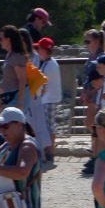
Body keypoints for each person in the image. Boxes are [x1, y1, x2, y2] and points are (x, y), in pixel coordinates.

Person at [34, 35, 62, 167]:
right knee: (47, 126)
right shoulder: (48, 63)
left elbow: (43, 85)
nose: (37, 51)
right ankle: (48, 152)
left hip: (49, 100)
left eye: (39, 48)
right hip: (48, 99)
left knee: (48, 127)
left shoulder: (49, 65)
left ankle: (49, 152)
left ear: (45, 50)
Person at [0, 26, 29, 113]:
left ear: (8, 39)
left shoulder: (17, 56)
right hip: (7, 98)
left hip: (14, 99)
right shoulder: (9, 55)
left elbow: (22, 80)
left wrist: (20, 104)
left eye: (1, 39)